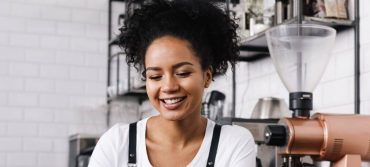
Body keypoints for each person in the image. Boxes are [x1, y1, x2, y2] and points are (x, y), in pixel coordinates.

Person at [89, 0, 256, 166]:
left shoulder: (233, 144)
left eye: (182, 73)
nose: (169, 87)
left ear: (207, 76)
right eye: (155, 76)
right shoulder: (116, 144)